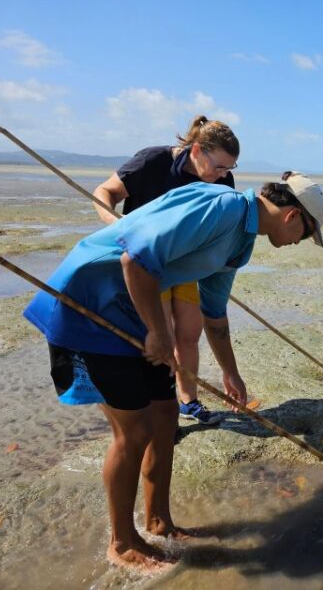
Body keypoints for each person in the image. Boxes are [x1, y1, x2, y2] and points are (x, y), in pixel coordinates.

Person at [24, 170, 323, 571]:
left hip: (132, 311)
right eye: (306, 235)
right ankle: (122, 542)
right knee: (133, 431)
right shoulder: (224, 207)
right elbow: (136, 260)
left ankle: (159, 522)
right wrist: (157, 331)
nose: (299, 244)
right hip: (91, 302)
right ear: (292, 217)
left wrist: (230, 374)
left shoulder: (240, 246)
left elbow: (214, 315)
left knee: (166, 416)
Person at [92, 115, 239, 426]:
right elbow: (104, 193)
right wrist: (122, 229)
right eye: (219, 167)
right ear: (197, 151)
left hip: (184, 266)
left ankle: (189, 402)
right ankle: (164, 407)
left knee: (188, 334)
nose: (224, 175)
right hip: (144, 265)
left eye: (229, 169)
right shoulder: (153, 160)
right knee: (162, 335)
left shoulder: (221, 180)